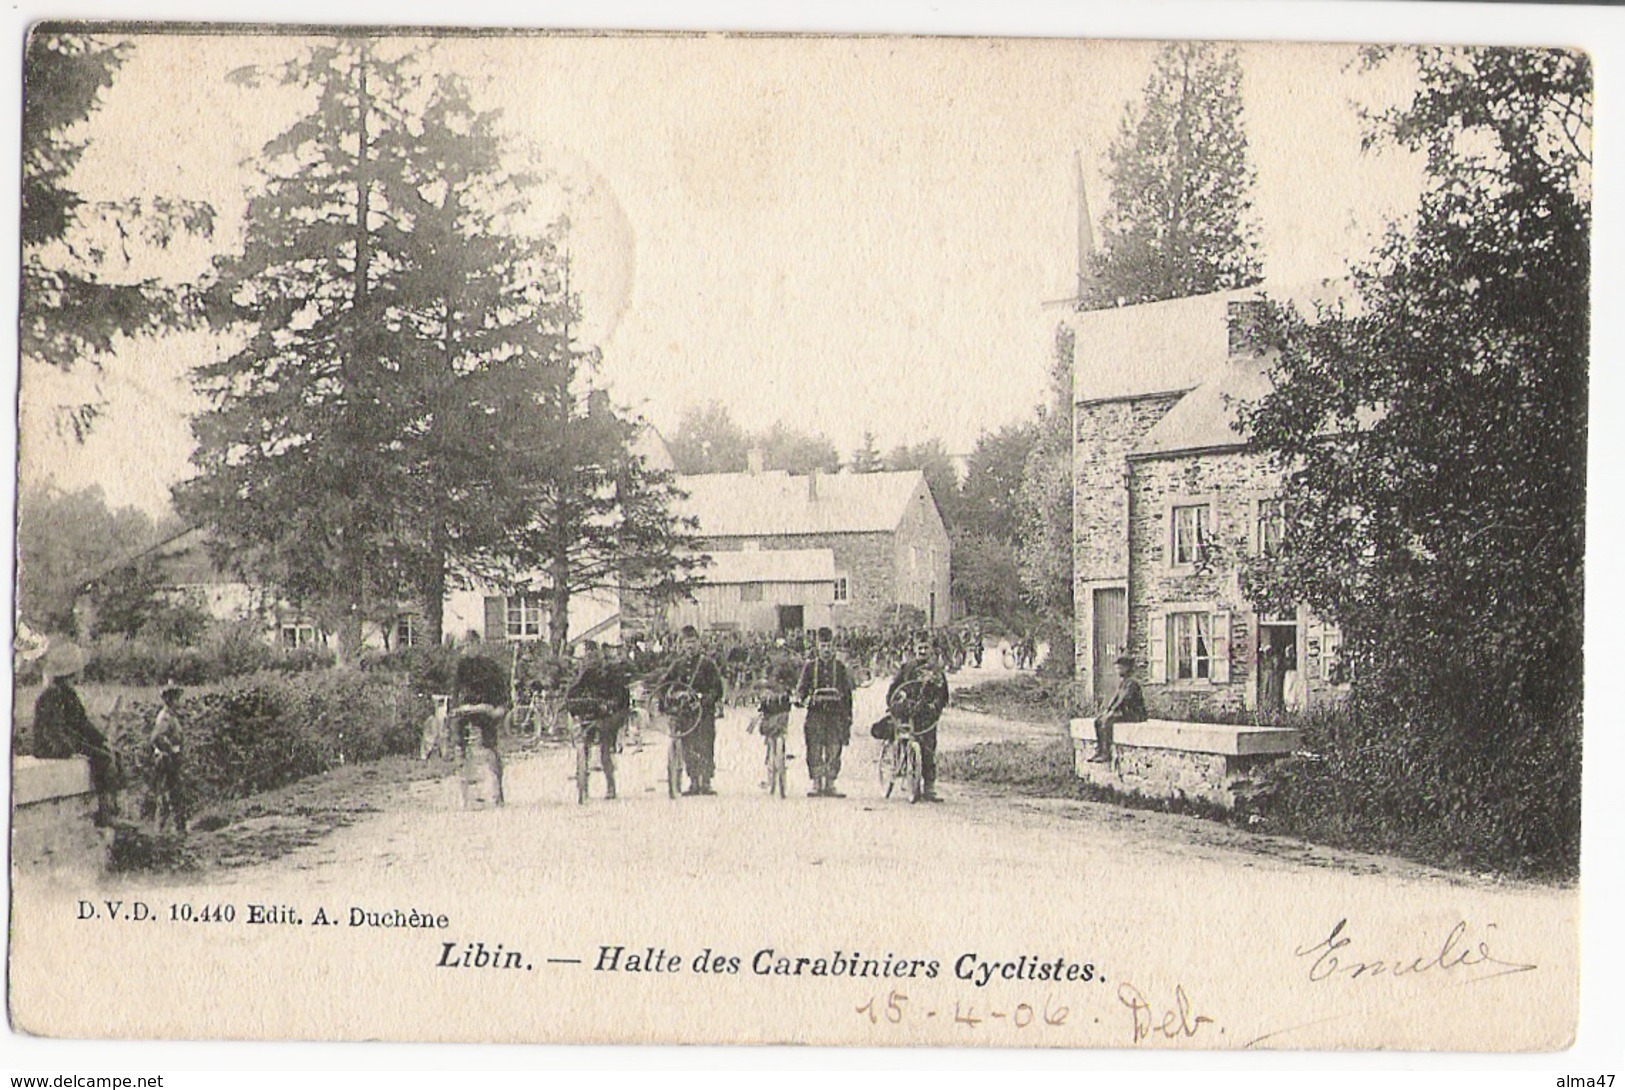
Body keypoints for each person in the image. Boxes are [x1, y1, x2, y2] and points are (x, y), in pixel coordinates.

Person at [31, 641, 119, 826]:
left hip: (65, 740)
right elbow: (54, 730)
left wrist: (101, 739)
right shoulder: (52, 695)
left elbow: (82, 723)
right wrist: (73, 749)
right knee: (101, 757)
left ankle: (113, 804)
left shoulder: (68, 694)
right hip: (50, 745)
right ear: (72, 672)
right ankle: (105, 811)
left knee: (109, 752)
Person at [659, 625, 724, 795]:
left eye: (693, 642)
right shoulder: (677, 665)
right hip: (685, 713)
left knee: (705, 744)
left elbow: (717, 689)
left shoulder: (708, 664)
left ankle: (706, 781)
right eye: (687, 642)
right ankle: (694, 781)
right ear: (682, 645)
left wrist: (705, 699)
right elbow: (664, 684)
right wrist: (664, 699)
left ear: (699, 643)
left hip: (704, 712)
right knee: (688, 745)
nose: (690, 646)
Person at [887, 632, 951, 802]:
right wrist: (896, 699)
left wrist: (935, 705)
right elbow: (894, 688)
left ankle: (929, 787)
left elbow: (943, 694)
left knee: (929, 748)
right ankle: (900, 764)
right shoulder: (906, 668)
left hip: (927, 715)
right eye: (919, 648)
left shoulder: (936, 671)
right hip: (907, 711)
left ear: (931, 650)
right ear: (915, 649)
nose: (922, 651)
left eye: (926, 648)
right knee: (902, 736)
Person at [566, 641, 632, 800]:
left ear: (600, 655)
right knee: (584, 743)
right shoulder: (586, 674)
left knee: (605, 747)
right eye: (588, 655)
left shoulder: (611, 672)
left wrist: (611, 704)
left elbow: (621, 696)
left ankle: (610, 784)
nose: (591, 658)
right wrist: (572, 703)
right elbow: (573, 692)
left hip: (607, 715)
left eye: (593, 654)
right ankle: (582, 779)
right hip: (590, 712)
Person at [797, 627, 855, 798]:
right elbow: (801, 689)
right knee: (814, 746)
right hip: (816, 713)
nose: (827, 650)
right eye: (823, 646)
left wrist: (848, 715)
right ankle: (816, 782)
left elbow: (847, 693)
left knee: (834, 747)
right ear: (818, 647)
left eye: (829, 646)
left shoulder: (840, 668)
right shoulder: (810, 667)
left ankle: (830, 782)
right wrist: (803, 699)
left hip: (835, 714)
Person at [452, 650, 510, 808]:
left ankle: (469, 798)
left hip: (467, 715)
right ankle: (493, 796)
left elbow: (454, 696)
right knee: (488, 750)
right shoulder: (489, 668)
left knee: (463, 753)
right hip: (484, 714)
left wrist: (458, 708)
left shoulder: (462, 669)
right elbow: (502, 698)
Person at [148, 684, 188, 834]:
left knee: (174, 795)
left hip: (171, 760)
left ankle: (176, 830)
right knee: (168, 796)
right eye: (177, 699)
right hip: (166, 761)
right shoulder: (165, 717)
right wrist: (170, 750)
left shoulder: (171, 716)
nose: (180, 702)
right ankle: (162, 832)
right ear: (170, 700)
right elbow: (157, 737)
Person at [1093, 653, 1147, 764]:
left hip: (1135, 714)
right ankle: (1100, 750)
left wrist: (1112, 712)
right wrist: (1107, 709)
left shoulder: (1132, 683)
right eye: (1117, 668)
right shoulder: (1123, 683)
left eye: (1120, 668)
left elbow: (1123, 700)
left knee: (1108, 721)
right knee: (1098, 720)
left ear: (1127, 668)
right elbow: (1115, 698)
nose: (1118, 671)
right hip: (1126, 712)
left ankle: (1106, 753)